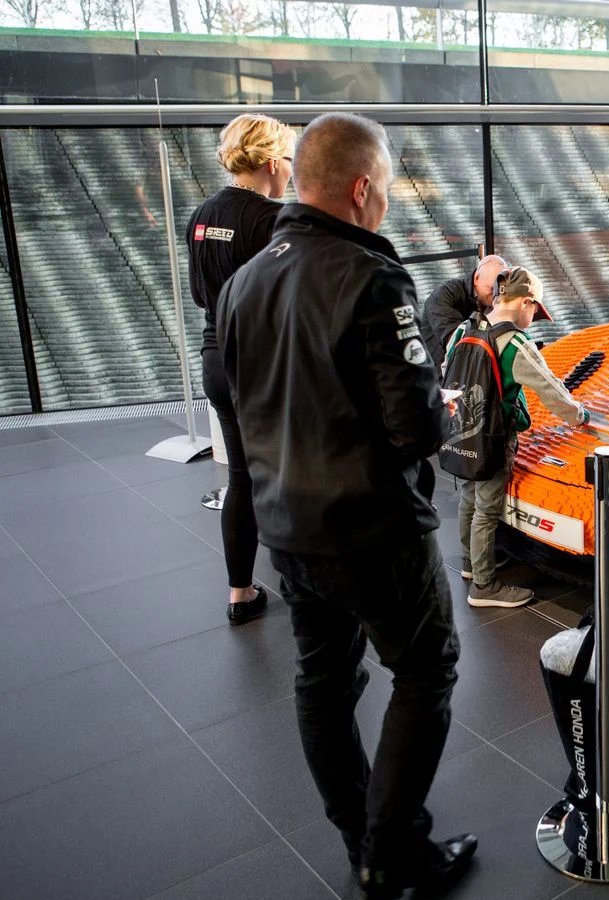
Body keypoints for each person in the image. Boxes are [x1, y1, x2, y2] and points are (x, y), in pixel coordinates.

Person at [217, 112, 475, 899]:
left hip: (285, 525)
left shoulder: (242, 283)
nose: (388, 202)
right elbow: (413, 428)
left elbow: (243, 404)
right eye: (387, 188)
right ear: (362, 189)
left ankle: (360, 837)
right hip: (372, 529)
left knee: (322, 683)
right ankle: (391, 853)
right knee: (425, 671)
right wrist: (445, 413)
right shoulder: (372, 276)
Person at [186, 113, 294, 625]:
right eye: (289, 160)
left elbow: (199, 294)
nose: (291, 170)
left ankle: (240, 594)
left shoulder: (202, 215)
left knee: (243, 477)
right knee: (288, 474)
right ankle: (299, 582)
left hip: (217, 360)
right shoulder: (275, 219)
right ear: (271, 162)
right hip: (263, 367)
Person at [449, 265, 590, 609]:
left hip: (462, 431)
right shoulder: (515, 342)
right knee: (487, 510)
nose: (532, 320)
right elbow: (553, 391)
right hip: (494, 439)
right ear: (526, 302)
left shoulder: (465, 328)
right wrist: (580, 415)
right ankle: (484, 586)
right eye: (535, 312)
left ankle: (471, 563)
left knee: (469, 496)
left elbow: (446, 371)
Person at [422, 254, 509, 369]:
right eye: (492, 289)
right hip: (440, 371)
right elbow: (457, 341)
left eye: (500, 290)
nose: (496, 295)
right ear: (476, 278)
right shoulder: (444, 295)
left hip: (472, 368)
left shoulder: (496, 302)